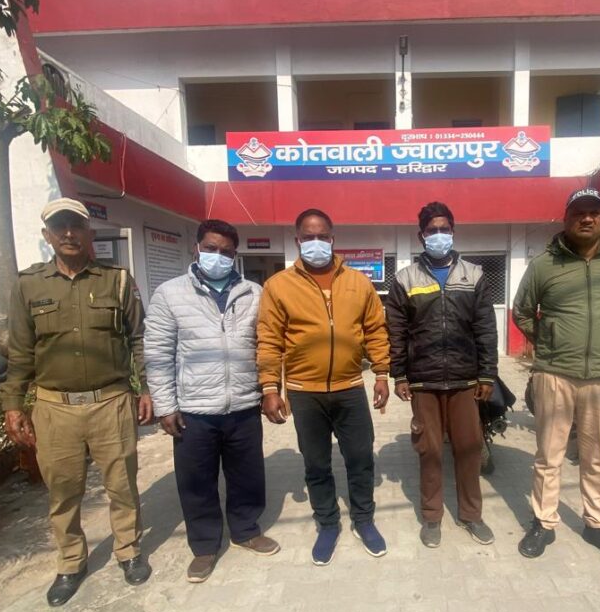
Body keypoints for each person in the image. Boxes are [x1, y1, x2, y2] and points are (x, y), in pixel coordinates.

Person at [1, 198, 153, 606]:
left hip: (111, 402)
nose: (68, 233)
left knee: (121, 485)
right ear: (47, 235)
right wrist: (13, 404)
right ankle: (71, 562)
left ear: (90, 233)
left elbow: (138, 338)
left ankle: (128, 550)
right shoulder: (29, 285)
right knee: (63, 490)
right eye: (60, 227)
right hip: (55, 407)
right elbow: (20, 351)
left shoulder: (116, 281)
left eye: (76, 226)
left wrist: (146, 388)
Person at [512, 187, 600, 564]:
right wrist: (550, 339)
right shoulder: (544, 264)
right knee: (548, 455)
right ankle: (544, 522)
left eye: (594, 212)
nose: (586, 218)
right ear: (566, 218)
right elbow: (522, 311)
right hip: (555, 373)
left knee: (596, 456)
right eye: (579, 212)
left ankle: (597, 525)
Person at [144, 219, 277, 583]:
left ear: (235, 254)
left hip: (243, 404)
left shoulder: (254, 293)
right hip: (194, 408)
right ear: (197, 248)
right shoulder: (170, 294)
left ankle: (246, 529)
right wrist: (165, 405)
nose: (217, 256)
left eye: (226, 251)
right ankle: (204, 545)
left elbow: (266, 345)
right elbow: (158, 353)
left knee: (247, 475)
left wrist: (269, 389)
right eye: (211, 248)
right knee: (197, 481)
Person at [257, 209, 390, 566]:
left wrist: (381, 373)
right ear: (297, 240)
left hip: (350, 388)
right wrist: (270, 387)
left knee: (361, 459)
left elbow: (375, 329)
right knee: (316, 464)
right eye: (308, 236)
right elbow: (269, 339)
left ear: (333, 239)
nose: (316, 242)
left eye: (322, 236)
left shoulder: (357, 282)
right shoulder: (279, 286)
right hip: (304, 392)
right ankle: (328, 524)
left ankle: (364, 520)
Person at [385, 201, 498, 548]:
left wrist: (487, 374)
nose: (438, 235)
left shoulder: (474, 275)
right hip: (424, 380)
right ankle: (432, 516)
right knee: (429, 451)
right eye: (432, 230)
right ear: (421, 235)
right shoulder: (405, 279)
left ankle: (471, 514)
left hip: (465, 380)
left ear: (453, 232)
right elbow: (396, 331)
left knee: (469, 449)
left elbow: (485, 328)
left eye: (444, 229)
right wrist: (399, 375)